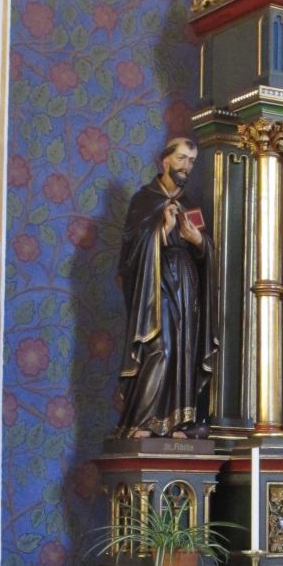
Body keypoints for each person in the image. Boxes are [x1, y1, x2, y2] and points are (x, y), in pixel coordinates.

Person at [114, 137, 217, 438]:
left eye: (192, 161)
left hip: (186, 287)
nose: (187, 166)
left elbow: (206, 253)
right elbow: (130, 253)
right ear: (165, 161)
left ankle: (176, 422)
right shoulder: (143, 200)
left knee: (183, 351)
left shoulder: (190, 204)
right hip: (154, 287)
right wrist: (162, 231)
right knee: (160, 348)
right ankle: (143, 420)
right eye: (183, 158)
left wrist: (199, 242)